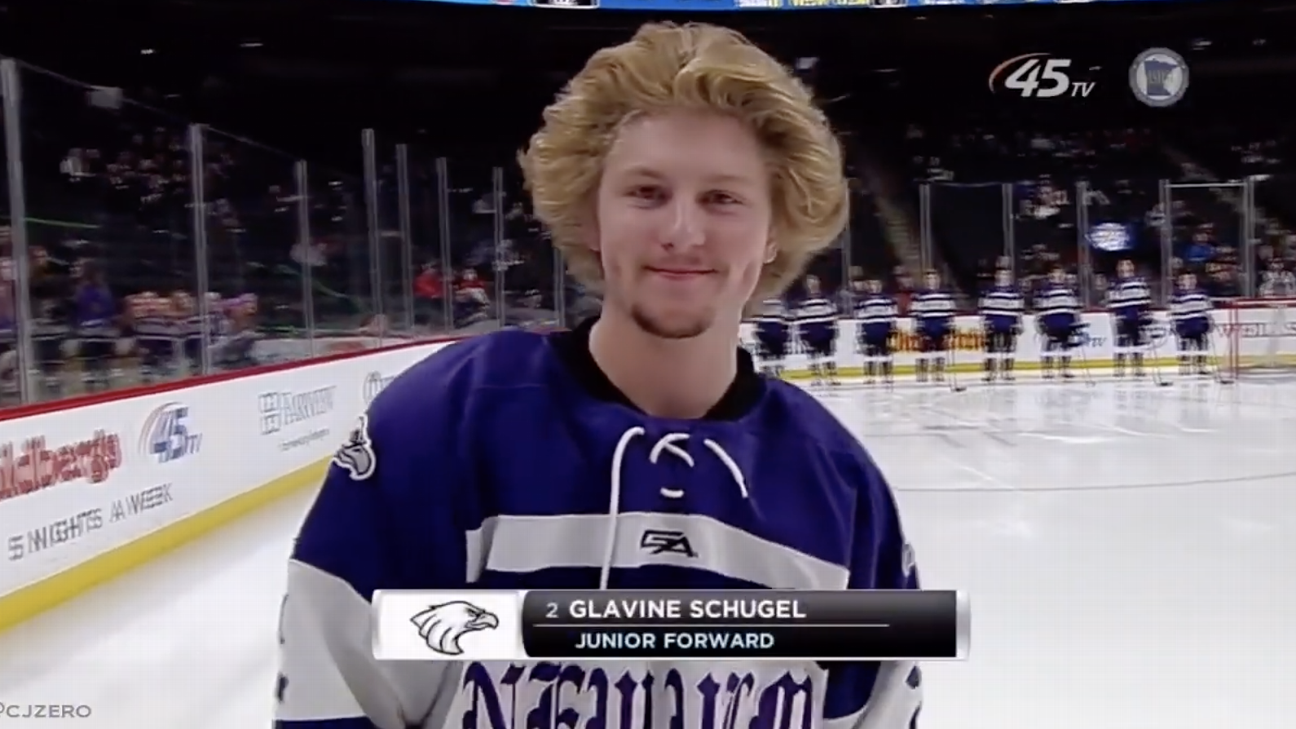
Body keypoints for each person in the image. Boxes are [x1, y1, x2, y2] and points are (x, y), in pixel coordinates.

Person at [274, 22, 922, 729]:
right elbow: (335, 698)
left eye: (723, 198)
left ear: (775, 231)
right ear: (590, 215)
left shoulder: (841, 486)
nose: (681, 231)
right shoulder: (440, 427)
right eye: (646, 192)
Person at [1035, 266, 1081, 380]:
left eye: (1061, 274)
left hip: (1067, 323)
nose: (1059, 276)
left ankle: (1065, 369)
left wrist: (1077, 322)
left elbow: (1075, 308)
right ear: (1051, 276)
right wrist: (1040, 323)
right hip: (1051, 323)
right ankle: (1047, 370)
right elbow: (1039, 309)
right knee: (1048, 347)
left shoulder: (1070, 290)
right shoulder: (1044, 291)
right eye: (1056, 274)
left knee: (1066, 347)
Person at [979, 268, 1023, 383]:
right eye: (1001, 275)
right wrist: (984, 323)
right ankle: (990, 373)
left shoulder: (1014, 292)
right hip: (993, 324)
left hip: (1009, 324)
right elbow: (984, 309)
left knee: (1009, 348)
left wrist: (1019, 323)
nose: (1003, 277)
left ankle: (1007, 372)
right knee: (991, 349)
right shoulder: (989, 291)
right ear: (996, 276)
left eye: (1006, 275)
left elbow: (1019, 310)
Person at [854, 277, 897, 385]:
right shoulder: (863, 301)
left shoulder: (887, 300)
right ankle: (869, 376)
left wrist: (892, 330)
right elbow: (859, 317)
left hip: (884, 330)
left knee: (885, 355)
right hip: (869, 331)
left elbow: (892, 316)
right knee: (869, 355)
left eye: (877, 284)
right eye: (872, 284)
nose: (875, 287)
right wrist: (861, 331)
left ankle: (886, 376)